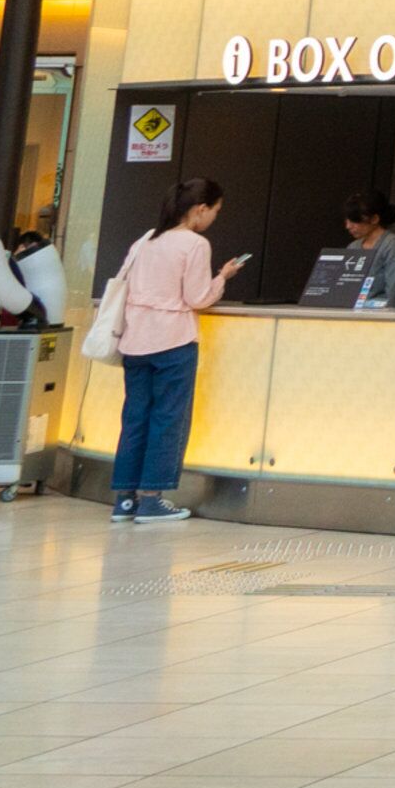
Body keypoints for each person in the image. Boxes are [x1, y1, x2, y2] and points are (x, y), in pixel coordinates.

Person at [107, 177, 245, 526]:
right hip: (172, 341)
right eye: (215, 210)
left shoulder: (146, 240)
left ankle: (124, 500)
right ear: (200, 209)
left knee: (135, 417)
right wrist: (223, 277)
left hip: (135, 342)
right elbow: (197, 298)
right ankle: (152, 499)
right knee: (168, 418)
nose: (214, 217)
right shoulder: (195, 244)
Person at [332, 191, 395, 309]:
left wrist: (393, 315)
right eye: (347, 221)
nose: (348, 226)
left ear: (374, 219)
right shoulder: (353, 247)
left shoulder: (391, 243)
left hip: (381, 310)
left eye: (354, 220)